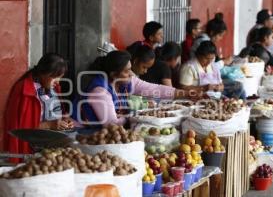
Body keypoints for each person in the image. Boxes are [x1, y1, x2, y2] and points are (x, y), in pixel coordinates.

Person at [72, 51, 201, 126]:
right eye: (127, 71)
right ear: (113, 74)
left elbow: (154, 89)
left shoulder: (125, 81)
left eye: (130, 69)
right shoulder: (100, 91)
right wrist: (136, 114)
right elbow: (112, 124)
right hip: (83, 132)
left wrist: (185, 93)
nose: (131, 74)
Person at [4, 53, 74, 162]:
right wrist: (49, 125)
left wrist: (65, 121)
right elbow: (20, 130)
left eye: (60, 78)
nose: (58, 82)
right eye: (55, 77)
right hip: (31, 152)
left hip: (52, 150)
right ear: (43, 73)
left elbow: (58, 113)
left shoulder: (54, 88)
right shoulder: (24, 90)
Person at [180, 41, 245, 99]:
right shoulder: (189, 67)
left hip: (214, 96)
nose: (209, 62)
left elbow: (220, 83)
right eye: (206, 58)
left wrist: (220, 87)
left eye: (211, 58)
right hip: (198, 98)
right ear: (199, 55)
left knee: (240, 88)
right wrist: (204, 88)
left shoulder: (212, 65)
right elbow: (183, 88)